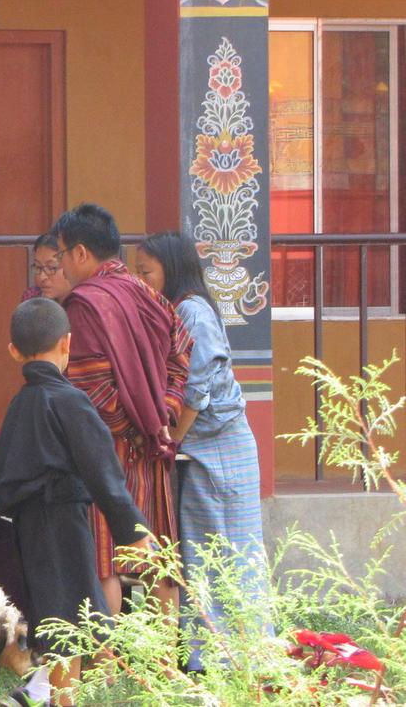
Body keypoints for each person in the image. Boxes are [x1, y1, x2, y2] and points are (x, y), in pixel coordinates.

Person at [0, 298, 151, 707]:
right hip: (63, 521)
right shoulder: (70, 400)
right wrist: (133, 531)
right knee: (70, 619)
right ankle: (60, 700)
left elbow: (0, 481)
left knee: (62, 613)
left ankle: (45, 694)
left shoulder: (20, 403)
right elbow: (104, 471)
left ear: (12, 351)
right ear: (67, 344)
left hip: (30, 525)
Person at [136, 232, 271, 672]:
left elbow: (197, 392)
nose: (142, 281)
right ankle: (208, 656)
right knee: (201, 554)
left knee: (229, 553)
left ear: (171, 270)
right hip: (199, 451)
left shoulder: (193, 311)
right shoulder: (174, 310)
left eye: (147, 272)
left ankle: (241, 656)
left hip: (221, 451)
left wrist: (169, 441)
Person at [54, 203, 191, 616]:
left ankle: (107, 666)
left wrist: (126, 424)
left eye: (61, 255)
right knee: (156, 554)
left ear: (81, 253)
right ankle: (166, 656)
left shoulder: (85, 302)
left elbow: (89, 383)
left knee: (106, 557)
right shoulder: (148, 293)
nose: (61, 265)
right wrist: (162, 412)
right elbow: (181, 352)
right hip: (153, 440)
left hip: (107, 444)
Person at [21, 230, 72, 305]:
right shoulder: (32, 299)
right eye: (38, 267)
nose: (42, 277)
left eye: (51, 268)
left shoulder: (85, 304)